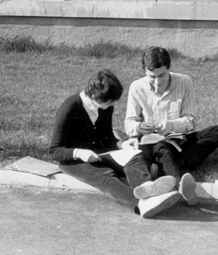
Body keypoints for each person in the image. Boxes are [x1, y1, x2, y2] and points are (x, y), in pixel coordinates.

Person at [49, 69, 181, 218]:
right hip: (73, 160)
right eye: (109, 102)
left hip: (99, 151)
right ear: (94, 96)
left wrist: (122, 145)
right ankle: (141, 204)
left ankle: (147, 188)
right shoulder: (70, 107)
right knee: (104, 175)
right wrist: (79, 153)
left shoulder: (105, 106)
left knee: (133, 156)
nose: (112, 104)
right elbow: (54, 150)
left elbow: (107, 137)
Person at [125, 46, 218, 206]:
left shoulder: (184, 81)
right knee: (161, 147)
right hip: (152, 143)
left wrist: (171, 126)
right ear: (145, 71)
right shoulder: (136, 87)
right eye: (152, 77)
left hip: (178, 138)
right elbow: (129, 124)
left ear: (169, 68)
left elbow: (190, 121)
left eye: (162, 75)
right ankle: (178, 182)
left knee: (217, 132)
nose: (157, 82)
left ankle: (160, 172)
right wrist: (139, 127)